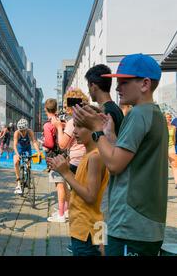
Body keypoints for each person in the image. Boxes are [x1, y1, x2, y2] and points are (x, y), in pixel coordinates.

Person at [73, 54, 168, 256]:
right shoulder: (154, 113)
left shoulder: (138, 114)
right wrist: (111, 136)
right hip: (145, 223)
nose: (117, 88)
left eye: (124, 82)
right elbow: (130, 157)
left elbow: (115, 164)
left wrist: (97, 130)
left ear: (144, 84)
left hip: (130, 225)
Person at [48, 105, 109, 256]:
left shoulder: (95, 157)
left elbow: (90, 196)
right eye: (75, 125)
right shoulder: (90, 154)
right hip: (93, 225)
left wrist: (65, 172)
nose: (74, 131)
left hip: (86, 230)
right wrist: (65, 167)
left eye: (80, 126)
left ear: (94, 127)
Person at [49, 89, 89, 223]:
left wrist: (59, 128)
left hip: (76, 162)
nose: (65, 109)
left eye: (67, 106)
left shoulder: (73, 121)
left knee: (73, 192)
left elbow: (62, 144)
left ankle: (74, 217)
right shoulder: (87, 116)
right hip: (88, 159)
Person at [85, 64, 124, 135]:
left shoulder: (106, 112)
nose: (88, 92)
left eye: (89, 87)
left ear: (93, 86)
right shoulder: (115, 108)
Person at [13, 119, 40, 194]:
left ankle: (28, 177)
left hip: (27, 148)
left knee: (28, 163)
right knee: (16, 162)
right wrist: (18, 155)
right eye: (21, 131)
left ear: (26, 129)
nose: (22, 132)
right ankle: (18, 183)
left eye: (24, 130)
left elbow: (34, 142)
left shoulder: (30, 131)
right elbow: (14, 146)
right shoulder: (17, 133)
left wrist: (38, 152)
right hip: (19, 148)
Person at [166, 113, 177, 189]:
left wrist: (173, 146)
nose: (169, 119)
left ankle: (176, 182)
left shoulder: (174, 127)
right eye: (167, 117)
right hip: (162, 148)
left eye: (170, 117)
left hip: (171, 147)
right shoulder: (161, 127)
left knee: (174, 165)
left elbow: (174, 139)